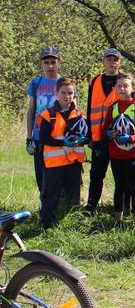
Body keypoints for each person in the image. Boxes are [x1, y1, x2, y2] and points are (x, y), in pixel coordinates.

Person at [37, 77, 88, 229]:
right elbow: (44, 139)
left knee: (74, 195)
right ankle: (46, 224)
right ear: (56, 93)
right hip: (55, 163)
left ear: (74, 94)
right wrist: (63, 143)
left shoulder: (79, 114)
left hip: (74, 161)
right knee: (51, 194)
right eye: (63, 92)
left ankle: (72, 224)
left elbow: (87, 136)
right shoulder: (48, 115)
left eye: (70, 93)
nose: (67, 96)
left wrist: (83, 140)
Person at [103, 73, 135, 219]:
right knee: (119, 187)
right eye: (119, 86)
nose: (122, 89)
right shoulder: (112, 107)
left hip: (133, 154)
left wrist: (131, 137)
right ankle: (118, 219)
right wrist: (108, 134)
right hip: (116, 155)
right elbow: (105, 130)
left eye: (126, 86)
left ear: (132, 88)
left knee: (133, 186)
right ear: (115, 88)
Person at [85, 48, 123, 212]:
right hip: (98, 138)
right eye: (109, 59)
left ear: (119, 62)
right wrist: (89, 137)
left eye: (115, 60)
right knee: (96, 175)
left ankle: (121, 208)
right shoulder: (95, 82)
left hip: (118, 138)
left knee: (120, 175)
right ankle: (91, 206)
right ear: (104, 61)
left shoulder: (124, 81)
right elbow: (89, 108)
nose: (112, 62)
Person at [26, 47, 62, 191]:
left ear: (59, 63)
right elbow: (31, 111)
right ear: (42, 64)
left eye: (53, 62)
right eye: (46, 62)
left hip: (59, 136)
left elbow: (73, 111)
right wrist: (29, 136)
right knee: (41, 174)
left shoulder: (65, 83)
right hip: (39, 135)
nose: (50, 66)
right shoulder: (36, 83)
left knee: (58, 174)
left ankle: (60, 207)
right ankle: (44, 206)